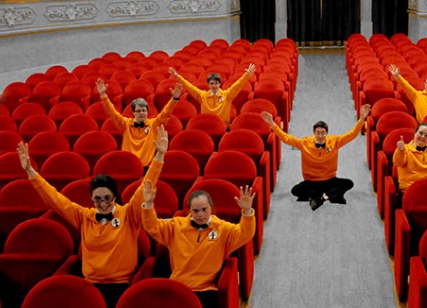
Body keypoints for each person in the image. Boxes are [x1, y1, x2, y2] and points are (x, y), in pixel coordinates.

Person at [17, 126, 169, 308]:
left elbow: (146, 185)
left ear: (115, 196)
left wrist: (159, 157)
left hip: (121, 287)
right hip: (88, 287)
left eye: (107, 198)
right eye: (97, 199)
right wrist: (30, 172)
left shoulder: (129, 213)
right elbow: (55, 199)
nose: (102, 203)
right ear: (91, 199)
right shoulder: (83, 216)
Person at [141, 181, 255, 308]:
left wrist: (247, 211)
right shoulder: (175, 227)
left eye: (204, 209)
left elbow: (245, 234)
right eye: (195, 211)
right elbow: (152, 226)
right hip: (178, 288)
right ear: (189, 210)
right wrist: (149, 204)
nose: (200, 214)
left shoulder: (223, 229)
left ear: (211, 207)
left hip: (206, 290)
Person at [261, 104, 371, 210]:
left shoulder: (335, 141)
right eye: (318, 133)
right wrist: (272, 124)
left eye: (323, 133)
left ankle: (322, 198)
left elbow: (351, 134)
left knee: (348, 183)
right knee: (295, 190)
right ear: (314, 133)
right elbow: (286, 138)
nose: (320, 136)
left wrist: (362, 118)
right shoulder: (304, 143)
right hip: (311, 181)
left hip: (330, 180)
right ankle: (327, 196)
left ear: (326, 133)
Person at [97, 78, 182, 167]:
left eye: (143, 110)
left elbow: (166, 113)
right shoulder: (125, 124)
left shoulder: (154, 124)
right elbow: (111, 112)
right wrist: (103, 95)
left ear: (147, 112)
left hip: (147, 168)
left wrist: (174, 99)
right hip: (127, 166)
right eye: (138, 111)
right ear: (133, 112)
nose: (141, 113)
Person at [169, 63, 256, 125]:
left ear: (220, 84)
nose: (214, 86)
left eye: (216, 83)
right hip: (206, 126)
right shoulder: (202, 96)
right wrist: (177, 76)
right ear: (208, 84)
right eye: (212, 83)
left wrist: (247, 75)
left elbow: (238, 85)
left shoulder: (227, 95)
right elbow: (189, 87)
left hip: (223, 127)